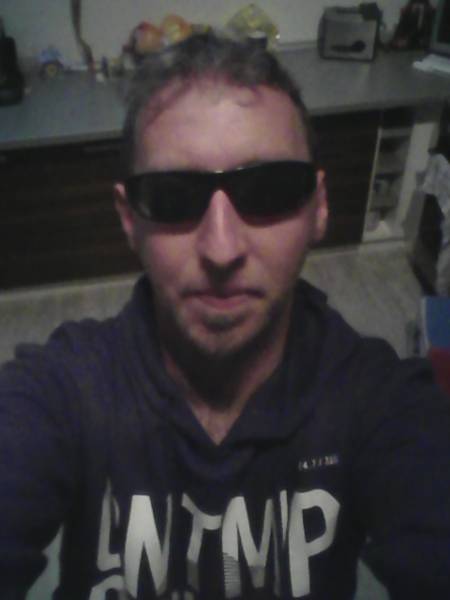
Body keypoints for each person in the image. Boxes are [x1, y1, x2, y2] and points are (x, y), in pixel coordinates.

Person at [1, 32, 450, 600]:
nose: (221, 249)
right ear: (128, 218)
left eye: (269, 190)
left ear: (319, 207)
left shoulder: (382, 404)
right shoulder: (63, 392)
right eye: (171, 196)